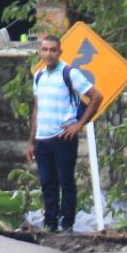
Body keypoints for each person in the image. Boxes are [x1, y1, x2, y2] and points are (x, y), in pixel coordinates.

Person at [25, 36, 103, 233]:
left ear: (59, 52)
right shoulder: (39, 76)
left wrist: (79, 124)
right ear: (39, 52)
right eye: (45, 49)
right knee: (47, 183)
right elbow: (37, 109)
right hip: (42, 139)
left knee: (66, 182)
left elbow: (96, 96)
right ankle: (50, 224)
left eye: (53, 50)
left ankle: (67, 224)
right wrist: (31, 141)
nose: (49, 53)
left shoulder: (70, 73)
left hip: (63, 137)